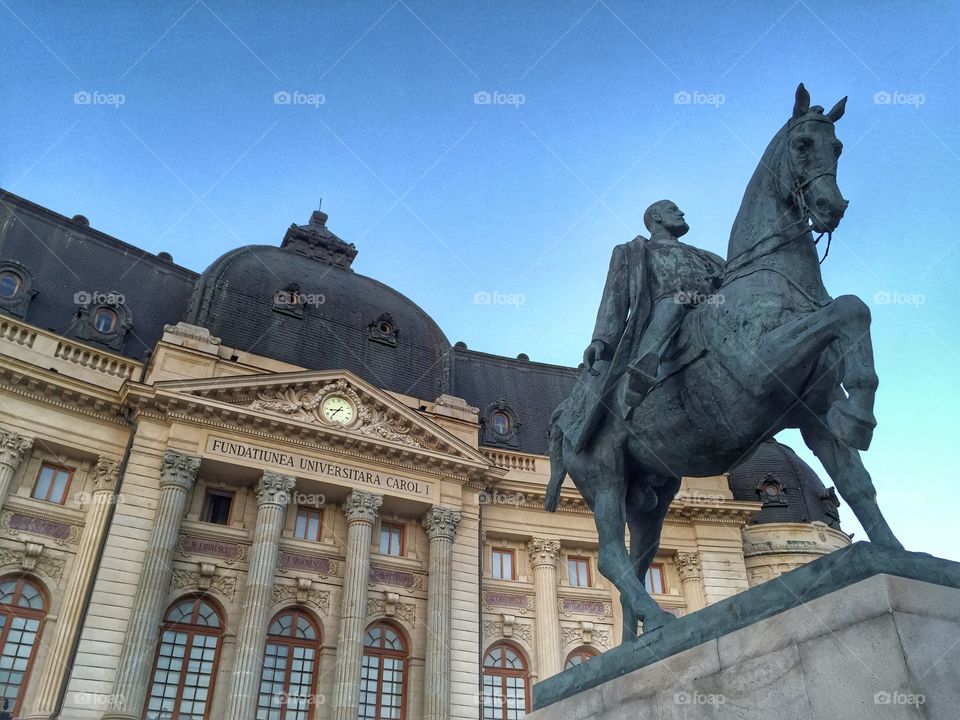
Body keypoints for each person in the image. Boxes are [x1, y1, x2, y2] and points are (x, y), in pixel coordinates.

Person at [571, 199, 723, 452]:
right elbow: (615, 296)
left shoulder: (704, 256)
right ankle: (643, 367)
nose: (682, 212)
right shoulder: (632, 251)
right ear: (656, 217)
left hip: (710, 304)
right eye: (673, 209)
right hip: (668, 305)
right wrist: (601, 339)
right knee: (675, 302)